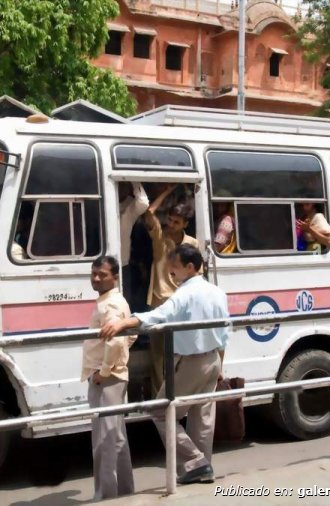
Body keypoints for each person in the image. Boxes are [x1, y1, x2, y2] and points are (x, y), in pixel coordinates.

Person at [100, 244, 229, 485]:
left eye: (174, 271)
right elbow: (224, 335)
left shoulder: (184, 293)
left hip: (190, 362)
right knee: (202, 417)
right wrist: (220, 367)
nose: (172, 275)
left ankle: (197, 462)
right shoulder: (217, 292)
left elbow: (160, 315)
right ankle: (202, 469)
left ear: (189, 268)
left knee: (161, 411)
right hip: (212, 359)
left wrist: (125, 323)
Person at [81, 255, 135, 500]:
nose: (96, 278)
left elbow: (115, 341)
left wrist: (103, 371)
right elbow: (129, 336)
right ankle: (124, 490)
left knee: (104, 440)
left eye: (102, 274)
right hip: (113, 373)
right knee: (115, 436)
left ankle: (106, 496)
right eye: (94, 273)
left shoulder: (110, 305)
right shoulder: (112, 300)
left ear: (115, 277)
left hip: (107, 377)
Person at [144, 184, 199, 397]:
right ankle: (160, 400)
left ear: (185, 224)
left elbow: (196, 276)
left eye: (177, 222)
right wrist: (166, 191)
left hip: (183, 304)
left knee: (180, 353)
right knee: (158, 357)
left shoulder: (192, 244)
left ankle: (178, 396)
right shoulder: (160, 238)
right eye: (170, 220)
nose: (172, 225)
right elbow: (149, 213)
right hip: (160, 302)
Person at [119, 182, 149, 302]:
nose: (121, 188)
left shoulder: (129, 207)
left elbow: (143, 203)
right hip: (102, 265)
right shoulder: (103, 202)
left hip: (123, 264)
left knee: (125, 304)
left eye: (123, 183)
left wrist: (133, 180)